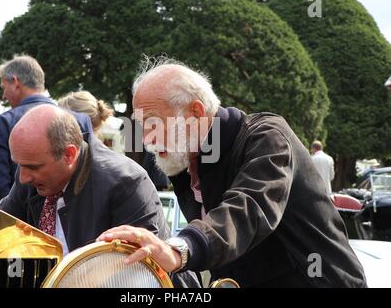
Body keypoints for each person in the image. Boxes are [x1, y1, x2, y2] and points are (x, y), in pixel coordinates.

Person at [98, 57, 367, 287]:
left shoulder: (267, 136)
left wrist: (179, 248)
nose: (146, 138)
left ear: (195, 112)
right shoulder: (185, 159)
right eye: (141, 126)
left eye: (153, 123)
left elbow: (247, 209)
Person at [0, 104, 200, 288]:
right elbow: (0, 227)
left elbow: (133, 272)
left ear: (69, 154)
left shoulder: (126, 183)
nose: (23, 177)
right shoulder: (32, 172)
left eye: (32, 167)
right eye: (19, 165)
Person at [0, 55, 92, 206]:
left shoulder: (2, 123)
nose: (3, 96)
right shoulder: (81, 120)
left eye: (3, 88)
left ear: (15, 82)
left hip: (20, 225)